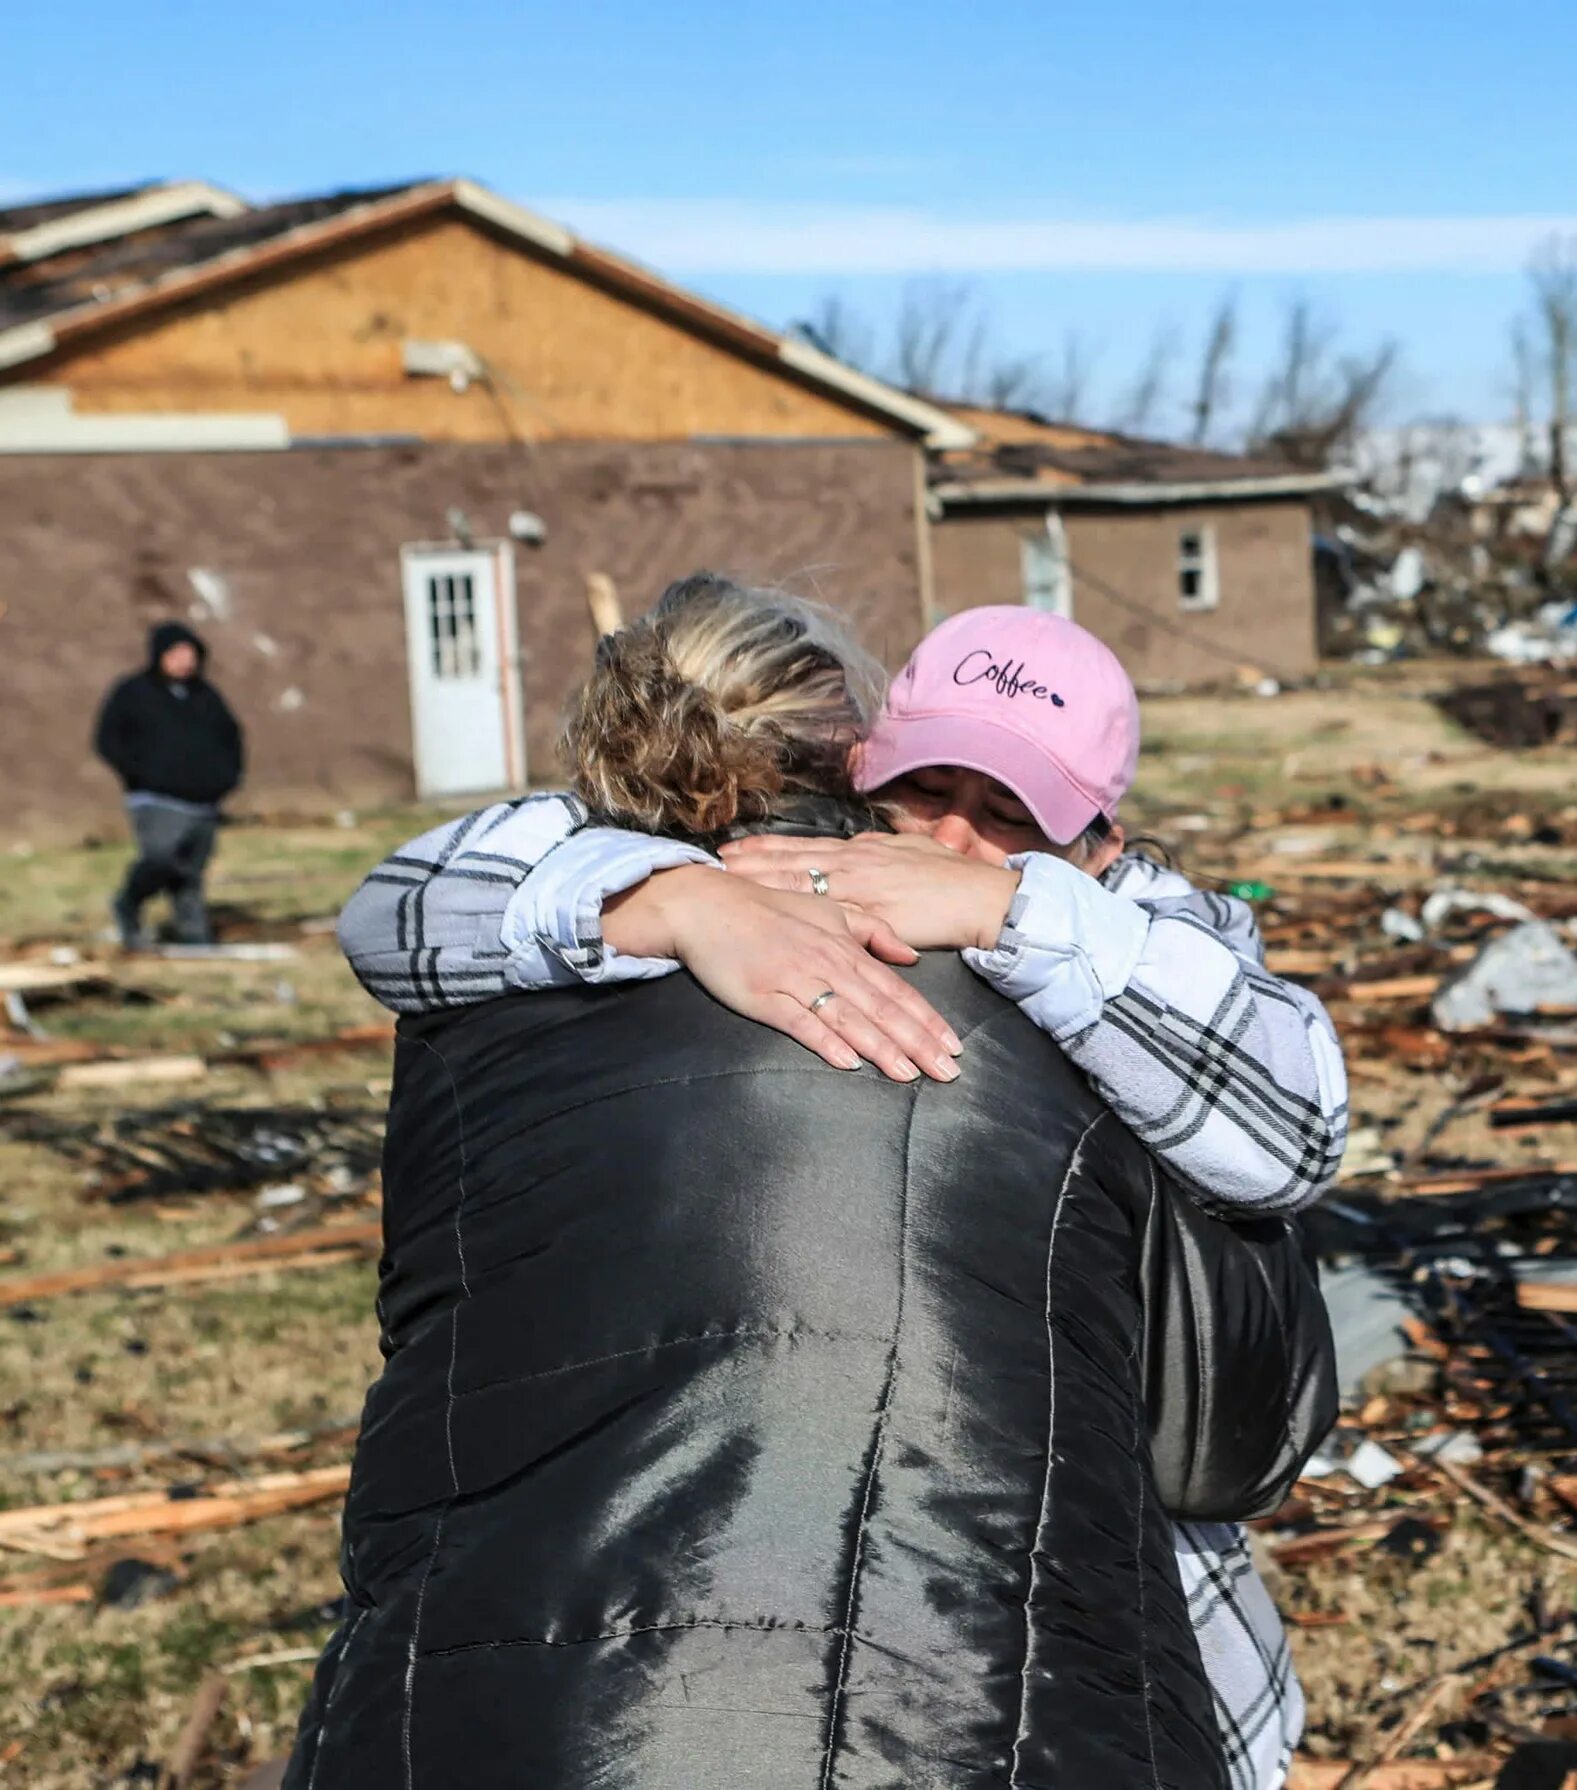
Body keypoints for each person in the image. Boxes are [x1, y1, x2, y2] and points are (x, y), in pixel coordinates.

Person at [291, 575, 1335, 1787]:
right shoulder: (717, 891)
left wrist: (1012, 914)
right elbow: (389, 909)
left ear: (1098, 836)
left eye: (1013, 816)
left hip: (1081, 1602)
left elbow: (1298, 1126)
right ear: (859, 769)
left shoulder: (1133, 941)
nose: (951, 837)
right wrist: (675, 900)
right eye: (929, 788)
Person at [93, 621, 243, 948]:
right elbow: (107, 739)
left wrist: (227, 777)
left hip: (204, 801)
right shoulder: (133, 691)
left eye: (191, 654)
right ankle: (129, 903)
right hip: (157, 799)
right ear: (160, 655)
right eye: (177, 653)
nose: (185, 661)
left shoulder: (206, 695)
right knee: (161, 859)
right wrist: (142, 774)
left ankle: (194, 938)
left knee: (190, 876)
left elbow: (231, 738)